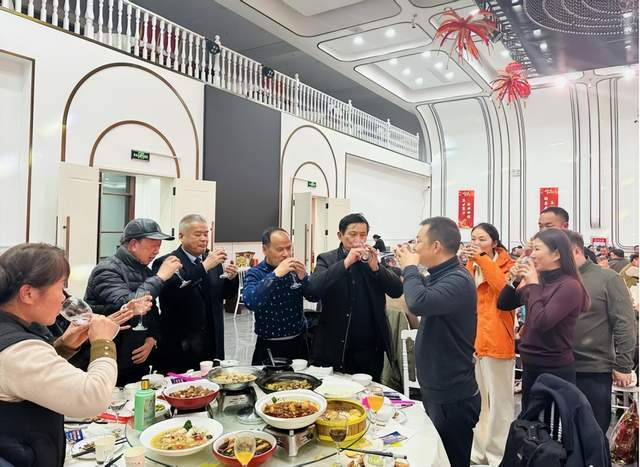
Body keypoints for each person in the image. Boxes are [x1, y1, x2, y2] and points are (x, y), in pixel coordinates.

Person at [0, 243, 120, 466]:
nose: (64, 297)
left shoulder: (12, 331)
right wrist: (103, 343)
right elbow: (92, 398)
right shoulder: (16, 350)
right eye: (61, 287)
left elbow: (28, 379)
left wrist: (63, 347)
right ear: (28, 293)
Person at [396, 217, 479, 467]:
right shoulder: (440, 275)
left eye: (419, 241)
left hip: (452, 393)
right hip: (439, 387)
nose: (415, 246)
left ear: (436, 246)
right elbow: (416, 293)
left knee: (452, 460)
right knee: (440, 456)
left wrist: (410, 268)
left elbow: (418, 302)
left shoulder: (457, 279)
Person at [497, 228, 590, 409]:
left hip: (554, 369)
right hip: (531, 365)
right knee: (529, 422)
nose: (532, 255)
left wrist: (533, 284)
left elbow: (542, 323)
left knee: (549, 423)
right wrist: (515, 280)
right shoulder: (539, 281)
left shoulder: (569, 286)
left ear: (556, 254)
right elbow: (504, 304)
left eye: (537, 249)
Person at [85, 218, 182, 385]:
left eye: (159, 246)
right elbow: (127, 305)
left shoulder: (144, 270)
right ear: (133, 244)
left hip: (137, 356)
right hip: (109, 356)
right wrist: (160, 277)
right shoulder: (107, 269)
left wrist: (152, 338)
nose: (156, 251)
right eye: (152, 246)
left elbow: (152, 311)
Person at [306, 213, 403, 381]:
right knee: (333, 390)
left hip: (369, 347)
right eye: (352, 234)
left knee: (368, 391)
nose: (358, 239)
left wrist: (377, 268)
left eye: (363, 235)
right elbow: (313, 291)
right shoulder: (327, 259)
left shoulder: (372, 259)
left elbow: (396, 290)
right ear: (340, 235)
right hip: (334, 343)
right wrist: (346, 262)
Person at [565, 230, 637, 434]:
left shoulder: (607, 278)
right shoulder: (557, 278)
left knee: (592, 432)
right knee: (565, 431)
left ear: (575, 250)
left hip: (593, 369)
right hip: (559, 366)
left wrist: (623, 364)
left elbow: (624, 322)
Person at [153, 215, 239, 373]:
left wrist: (232, 279)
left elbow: (222, 294)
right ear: (181, 236)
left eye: (206, 234)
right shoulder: (167, 262)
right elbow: (173, 293)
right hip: (182, 345)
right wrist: (204, 266)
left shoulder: (212, 260)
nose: (204, 239)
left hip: (213, 342)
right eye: (197, 234)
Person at [462, 223, 515, 467]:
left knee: (500, 405)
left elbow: (505, 293)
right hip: (474, 341)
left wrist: (482, 260)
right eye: (473, 238)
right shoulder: (470, 266)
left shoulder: (509, 266)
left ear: (494, 242)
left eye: (482, 239)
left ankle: (498, 456)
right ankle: (479, 452)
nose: (476, 243)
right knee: (480, 403)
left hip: (497, 340)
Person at [242, 227, 317, 365]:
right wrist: (275, 274)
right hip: (269, 346)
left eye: (289, 248)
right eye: (280, 249)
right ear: (265, 250)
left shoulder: (294, 270)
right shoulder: (255, 273)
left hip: (299, 343)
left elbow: (313, 296)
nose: (286, 254)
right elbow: (251, 302)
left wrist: (304, 279)